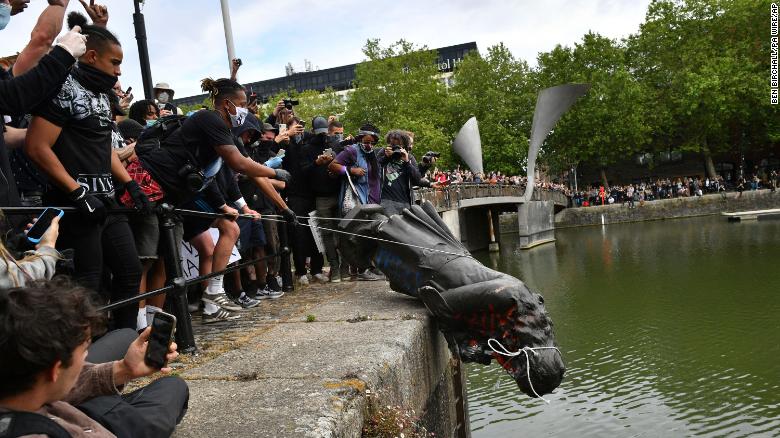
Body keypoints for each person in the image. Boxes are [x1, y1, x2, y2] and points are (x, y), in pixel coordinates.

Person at [24, 12, 148, 330]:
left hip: (107, 202)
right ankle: (81, 365)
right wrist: (76, 191)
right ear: (91, 56)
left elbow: (100, 148)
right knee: (87, 284)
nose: (119, 71)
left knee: (130, 271)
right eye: (114, 63)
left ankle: (122, 347)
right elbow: (37, 147)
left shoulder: (102, 95)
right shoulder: (62, 87)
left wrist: (130, 184)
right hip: (75, 206)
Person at [136, 77, 294, 322]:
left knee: (165, 261)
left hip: (174, 195)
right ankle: (141, 324)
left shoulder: (225, 132)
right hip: (151, 187)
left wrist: (283, 208)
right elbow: (238, 164)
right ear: (227, 103)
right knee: (147, 262)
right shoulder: (208, 119)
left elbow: (240, 171)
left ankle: (156, 321)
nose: (245, 109)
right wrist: (274, 172)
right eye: (242, 103)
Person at [0, 279, 189, 438]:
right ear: (55, 370)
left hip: (66, 403)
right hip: (100, 420)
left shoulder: (24, 387)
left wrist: (123, 369)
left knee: (125, 336)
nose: (87, 356)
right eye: (84, 350)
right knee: (173, 387)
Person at [301, 116, 342, 282]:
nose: (323, 136)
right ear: (313, 132)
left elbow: (345, 166)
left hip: (338, 193)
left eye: (325, 133)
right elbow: (303, 173)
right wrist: (316, 163)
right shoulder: (307, 148)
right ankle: (335, 266)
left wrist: (334, 165)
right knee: (326, 234)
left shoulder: (335, 144)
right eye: (320, 133)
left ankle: (344, 266)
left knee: (342, 231)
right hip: (320, 196)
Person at [377, 130, 426, 216]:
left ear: (404, 145)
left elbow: (417, 179)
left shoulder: (409, 157)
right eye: (393, 145)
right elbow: (374, 169)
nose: (396, 147)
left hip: (405, 202)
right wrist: (386, 157)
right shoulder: (383, 152)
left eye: (399, 145)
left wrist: (407, 161)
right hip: (386, 200)